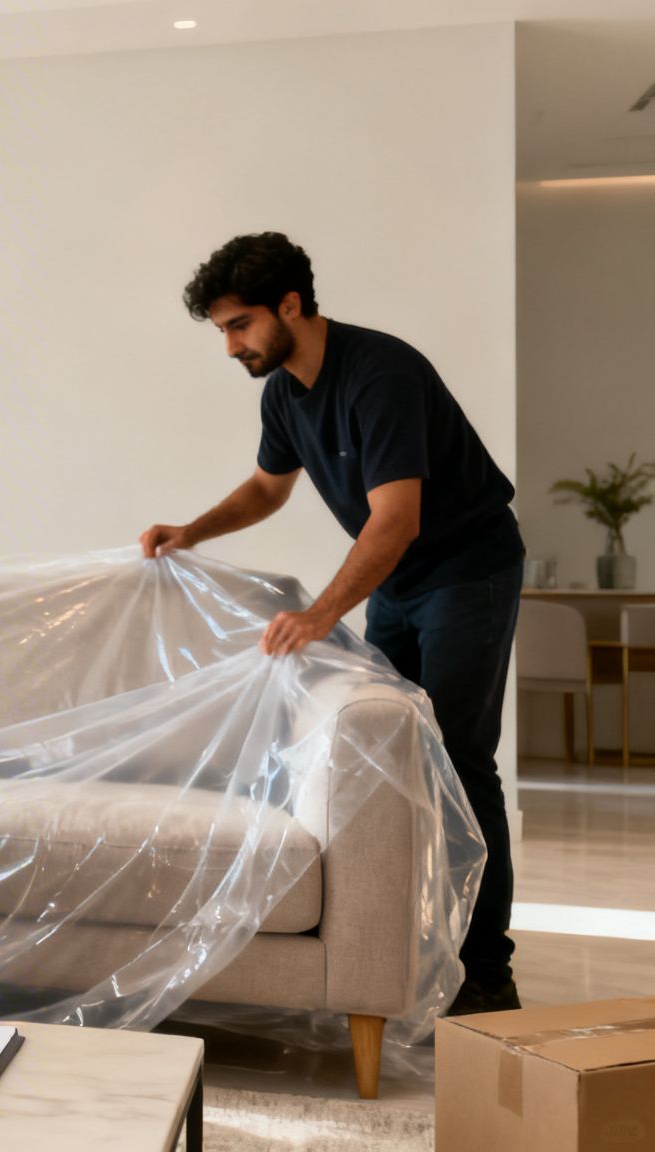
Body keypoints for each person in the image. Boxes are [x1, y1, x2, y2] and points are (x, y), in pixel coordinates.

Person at [140, 232, 524, 1016]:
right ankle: (415, 942)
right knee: (388, 751)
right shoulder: (282, 390)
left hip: (466, 570)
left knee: (457, 757)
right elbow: (266, 489)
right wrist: (192, 532)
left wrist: (319, 615)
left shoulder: (379, 374)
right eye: (220, 329)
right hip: (402, 578)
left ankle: (488, 971)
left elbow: (396, 519)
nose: (229, 346)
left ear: (291, 305)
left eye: (239, 324)